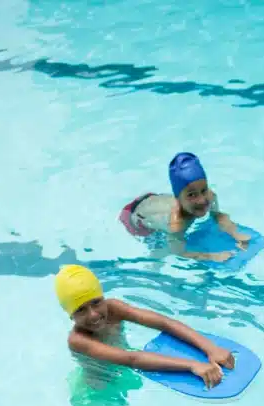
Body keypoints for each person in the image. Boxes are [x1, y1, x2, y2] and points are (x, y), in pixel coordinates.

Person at [56, 265, 234, 390]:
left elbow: (165, 323)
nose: (93, 314)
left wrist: (210, 348)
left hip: (126, 371)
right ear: (70, 315)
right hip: (98, 386)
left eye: (96, 302)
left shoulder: (114, 309)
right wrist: (193, 365)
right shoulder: (78, 340)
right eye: (81, 310)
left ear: (103, 298)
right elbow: (131, 359)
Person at [121, 152, 250, 263]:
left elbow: (218, 216)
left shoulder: (209, 196)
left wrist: (236, 234)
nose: (202, 200)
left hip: (153, 201)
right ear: (178, 199)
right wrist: (212, 256)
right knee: (161, 252)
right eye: (192, 195)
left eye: (203, 190)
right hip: (135, 220)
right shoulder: (176, 223)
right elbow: (179, 252)